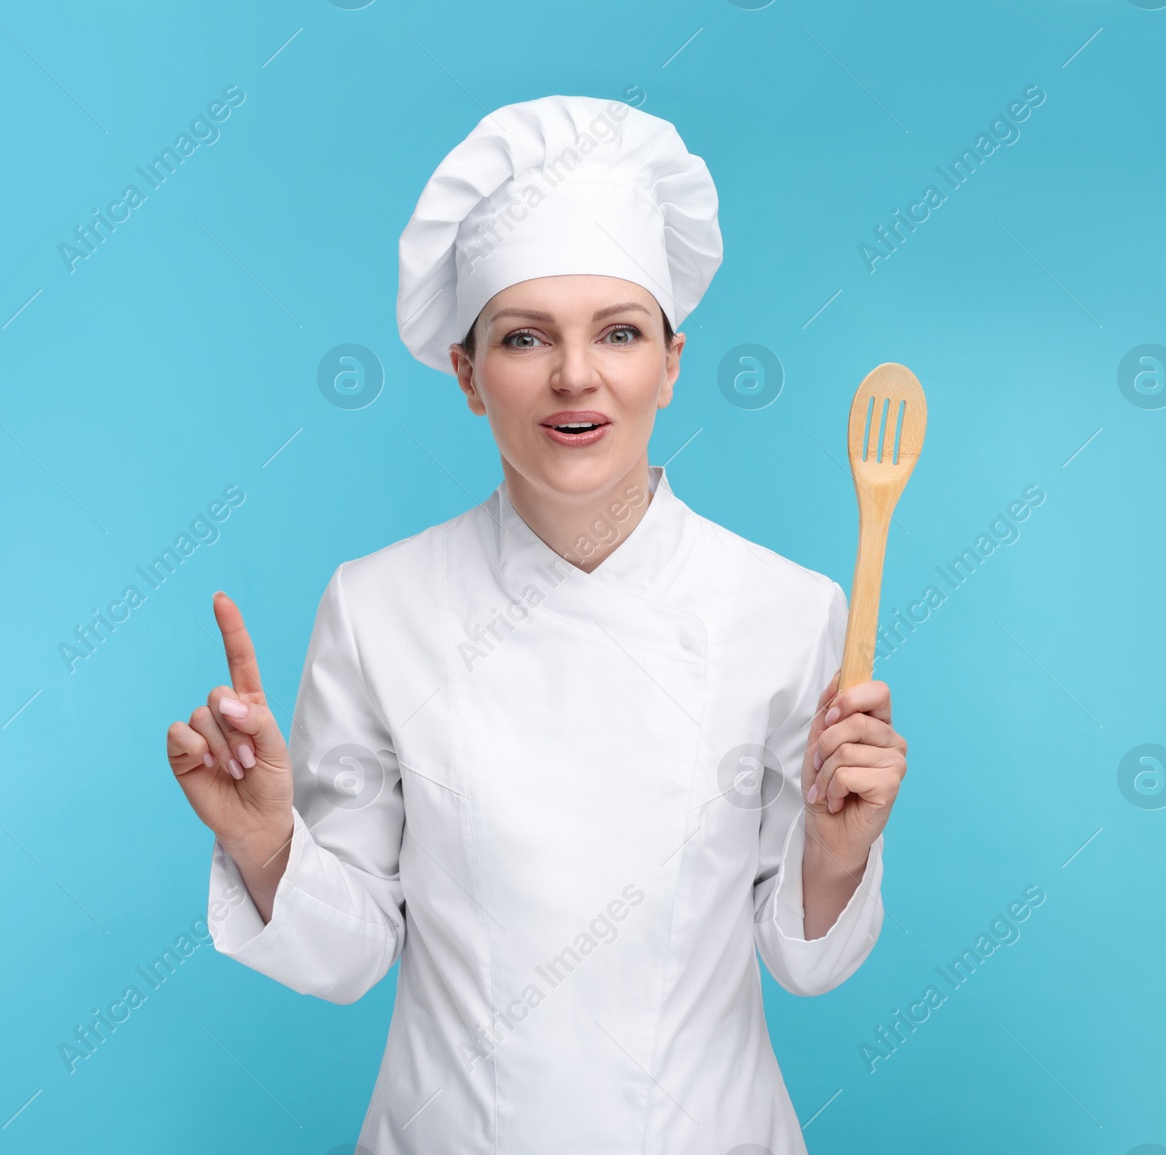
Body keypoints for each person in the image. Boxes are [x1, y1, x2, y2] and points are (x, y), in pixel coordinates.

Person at [165, 94, 908, 1154]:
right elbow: (349, 958)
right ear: (468, 375)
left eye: (618, 332)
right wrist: (266, 845)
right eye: (524, 337)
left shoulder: (788, 609)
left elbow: (806, 963)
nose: (575, 375)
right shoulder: (378, 606)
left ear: (671, 363)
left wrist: (836, 854)